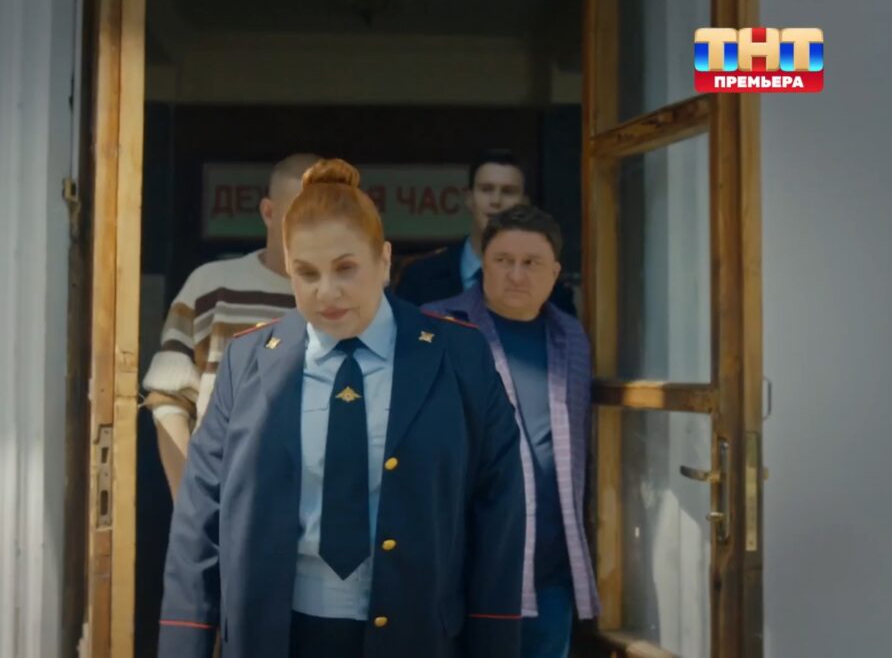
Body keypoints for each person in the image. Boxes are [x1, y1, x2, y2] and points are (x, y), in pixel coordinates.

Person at [159, 159, 526, 658]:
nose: (326, 292)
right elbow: (200, 520)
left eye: (346, 268)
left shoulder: (457, 356)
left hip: (418, 636)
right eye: (306, 273)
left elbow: (499, 512)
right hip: (278, 636)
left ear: (384, 260)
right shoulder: (248, 362)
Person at [424, 205, 600, 658]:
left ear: (555, 272)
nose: (516, 274)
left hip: (550, 574)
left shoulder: (571, 337)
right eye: (503, 260)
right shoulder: (436, 328)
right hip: (463, 571)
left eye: (531, 262)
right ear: (483, 263)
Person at [141, 153, 321, 497]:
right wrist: (191, 506)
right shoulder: (212, 286)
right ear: (268, 213)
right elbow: (169, 400)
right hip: (226, 502)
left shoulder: (347, 298)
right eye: (299, 215)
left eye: (324, 215)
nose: (312, 228)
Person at [394, 149, 576, 315]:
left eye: (508, 191)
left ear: (524, 203)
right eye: (486, 189)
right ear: (469, 198)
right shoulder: (419, 278)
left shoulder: (551, 290)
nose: (496, 200)